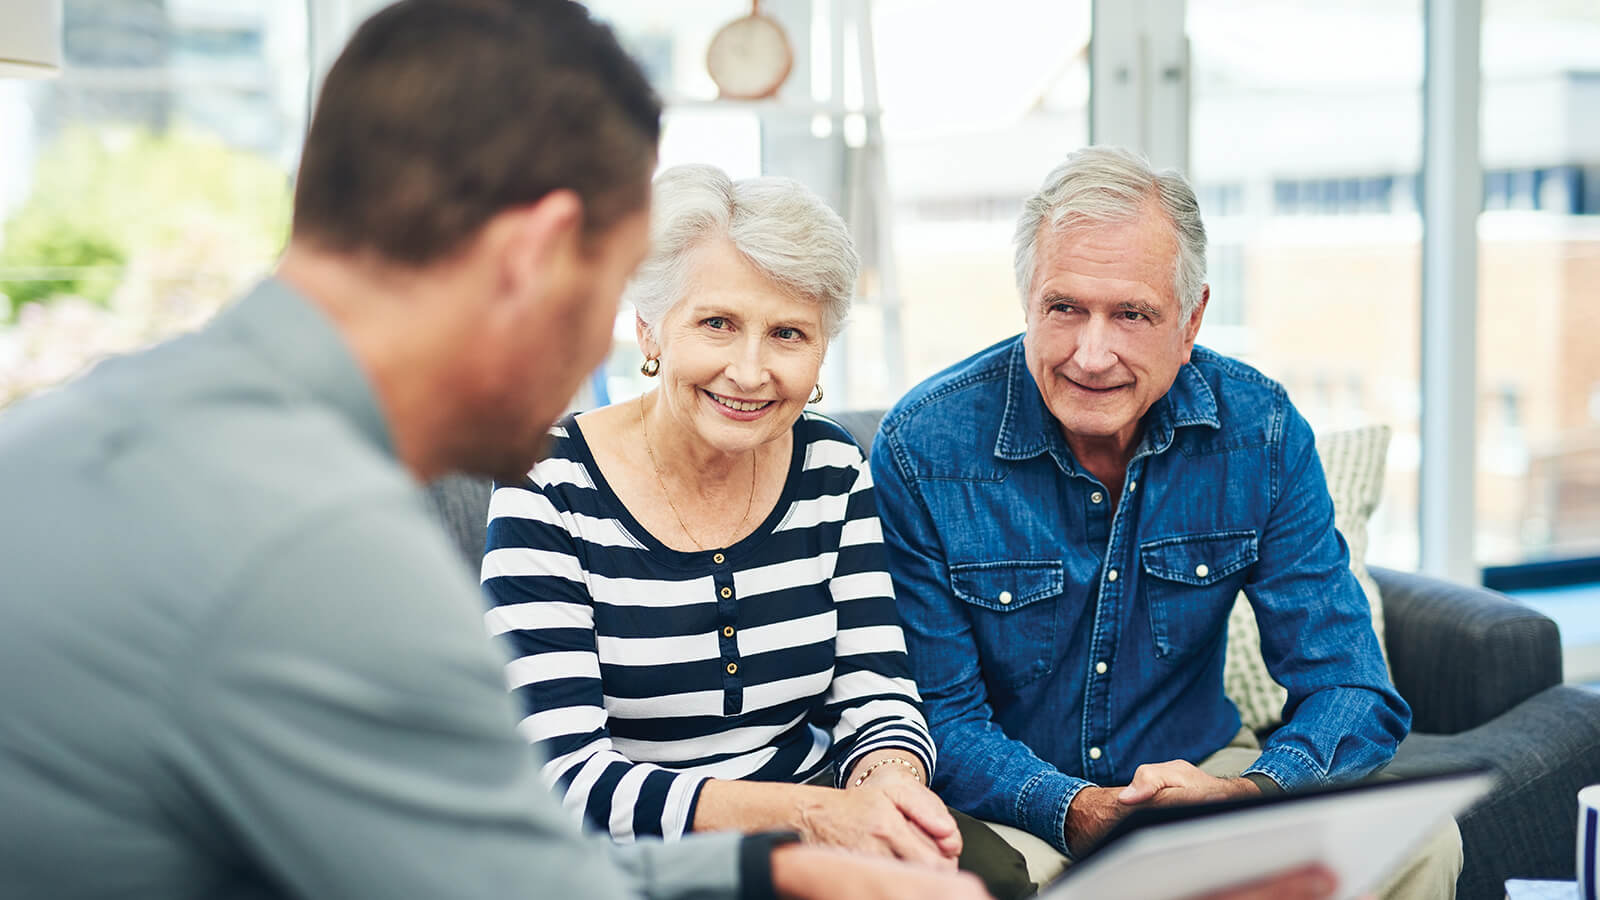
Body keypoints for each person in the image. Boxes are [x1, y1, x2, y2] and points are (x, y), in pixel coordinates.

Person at [0, 2, 988, 898]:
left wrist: (780, 865)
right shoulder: (326, 546)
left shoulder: (78, 432)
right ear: (536, 256)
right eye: (610, 289)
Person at [869, 146, 1463, 898]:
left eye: (1131, 315)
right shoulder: (924, 446)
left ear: (1190, 321)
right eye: (1065, 309)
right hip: (1016, 807)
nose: (1092, 353)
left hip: (1203, 778)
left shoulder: (1262, 433)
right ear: (1027, 301)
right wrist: (1075, 807)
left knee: (1424, 844)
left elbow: (1351, 684)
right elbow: (938, 718)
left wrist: (1250, 796)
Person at [480, 163, 1035, 900]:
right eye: (717, 324)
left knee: (993, 879)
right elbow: (562, 775)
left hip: (830, 813)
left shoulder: (829, 462)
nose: (749, 371)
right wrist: (810, 817)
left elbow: (878, 692)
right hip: (645, 856)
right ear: (650, 327)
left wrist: (886, 788)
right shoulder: (546, 481)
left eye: (787, 333)